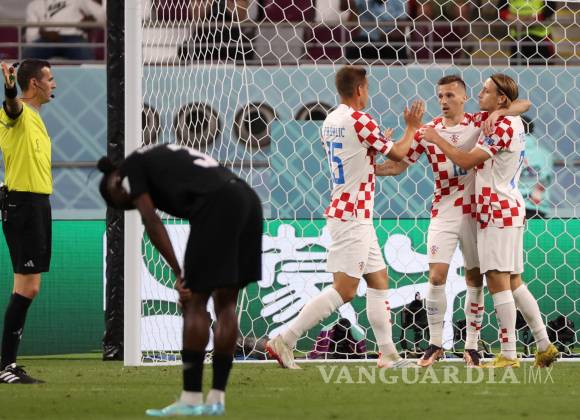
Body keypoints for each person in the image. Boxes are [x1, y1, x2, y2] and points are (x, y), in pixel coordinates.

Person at [266, 66, 425, 369]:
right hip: (352, 215)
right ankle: (285, 339)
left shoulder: (331, 120)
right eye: (367, 88)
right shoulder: (360, 120)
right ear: (360, 89)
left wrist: (375, 147)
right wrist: (411, 127)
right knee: (345, 290)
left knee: (378, 280)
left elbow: (355, 159)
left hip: (351, 212)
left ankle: (388, 354)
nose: (368, 93)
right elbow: (398, 153)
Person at [375, 75, 532, 367]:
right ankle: (435, 343)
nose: (444, 101)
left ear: (463, 98)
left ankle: (471, 346)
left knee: (475, 278)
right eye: (440, 96)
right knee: (436, 276)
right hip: (443, 210)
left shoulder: (480, 122)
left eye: (449, 95)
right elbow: (397, 166)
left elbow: (523, 103)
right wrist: (371, 167)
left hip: (476, 211)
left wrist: (499, 111)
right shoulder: (428, 131)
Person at [97, 143, 262, 416]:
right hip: (247, 200)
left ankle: (191, 398)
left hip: (216, 205)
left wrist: (178, 273)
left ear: (115, 183)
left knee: (194, 302)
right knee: (226, 304)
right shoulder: (159, 154)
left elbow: (152, 222)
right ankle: (216, 398)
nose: (130, 204)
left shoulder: (130, 169)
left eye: (123, 202)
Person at [419, 73, 559, 368]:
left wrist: (437, 139)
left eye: (485, 91)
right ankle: (544, 345)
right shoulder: (510, 120)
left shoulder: (499, 126)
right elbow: (523, 103)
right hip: (508, 206)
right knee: (514, 282)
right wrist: (501, 111)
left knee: (498, 282)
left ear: (501, 98)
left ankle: (508, 353)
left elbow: (466, 161)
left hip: (496, 209)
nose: (480, 95)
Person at [0, 59, 56, 384]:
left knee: (28, 287)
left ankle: (7, 364)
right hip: (23, 204)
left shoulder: (36, 118)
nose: (54, 84)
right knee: (27, 287)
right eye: (50, 78)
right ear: (34, 83)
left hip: (37, 204)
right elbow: (11, 106)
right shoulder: (17, 112)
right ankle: (5, 366)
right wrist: (9, 87)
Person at [24, 0, 106, 61]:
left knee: (86, 56)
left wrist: (92, 20)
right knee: (28, 56)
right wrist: (42, 33)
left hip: (73, 37)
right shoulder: (34, 5)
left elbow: (102, 16)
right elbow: (31, 36)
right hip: (46, 40)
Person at [498, 0, 556, 65]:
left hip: (540, 37)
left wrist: (533, 20)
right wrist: (519, 20)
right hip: (517, 38)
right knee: (517, 68)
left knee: (542, 67)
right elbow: (501, 11)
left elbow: (549, 10)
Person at [519, 115, 554, 219]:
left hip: (512, 206)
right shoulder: (545, 154)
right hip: (537, 206)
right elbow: (544, 180)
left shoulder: (508, 152)